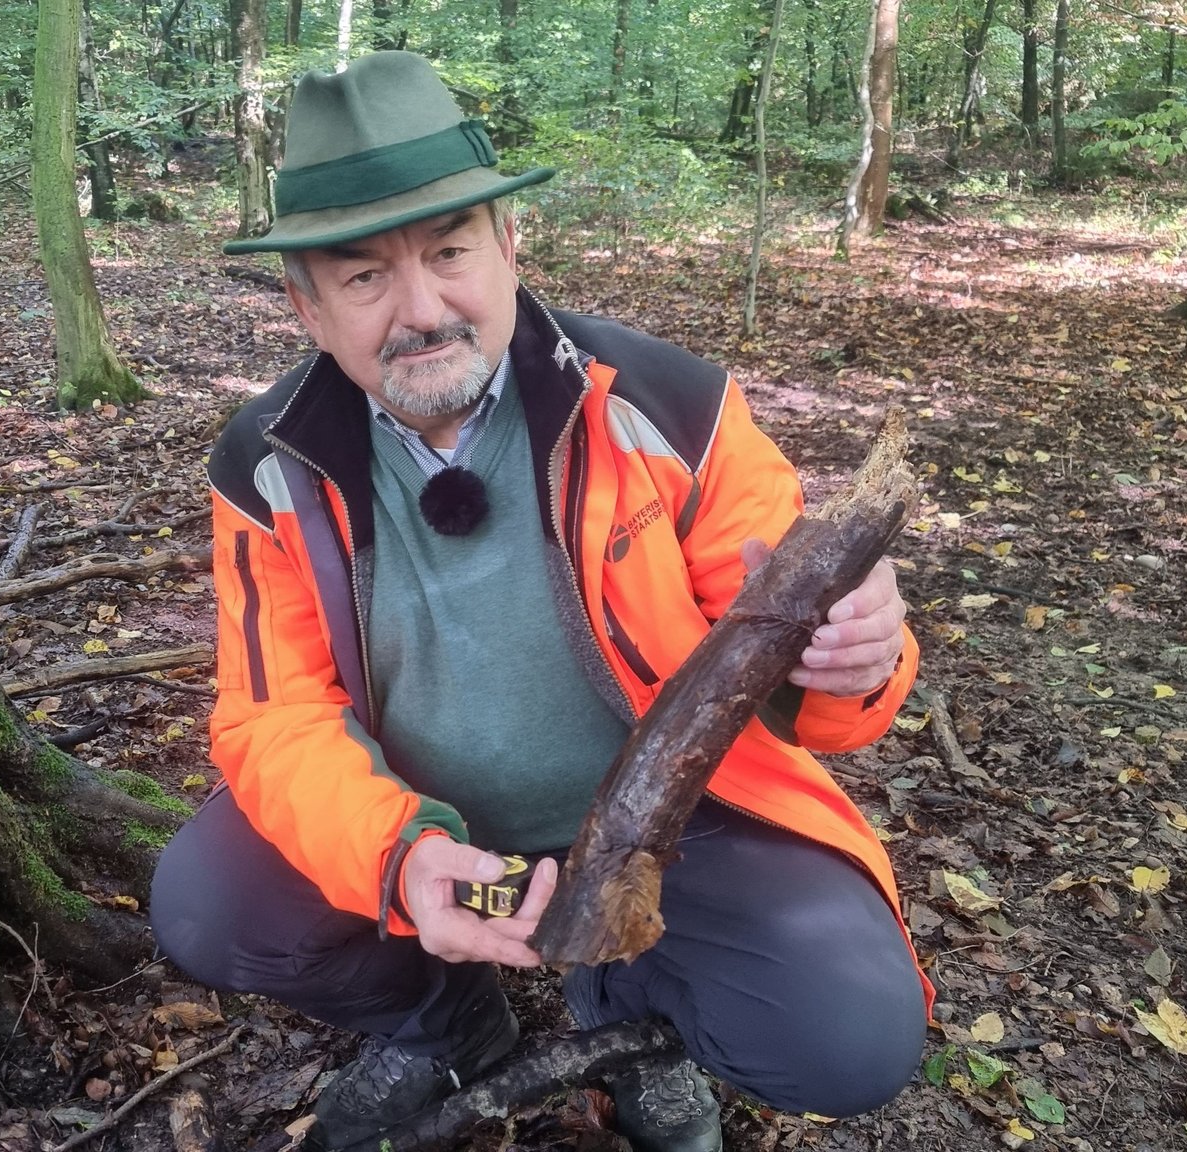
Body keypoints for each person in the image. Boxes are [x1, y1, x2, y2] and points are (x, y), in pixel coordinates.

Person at [152, 51, 931, 1152]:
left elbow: (806, 693)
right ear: (306, 304)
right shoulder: (267, 466)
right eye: (364, 276)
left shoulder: (668, 406)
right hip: (443, 840)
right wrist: (400, 860)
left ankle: (624, 1023)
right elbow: (269, 715)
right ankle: (447, 1026)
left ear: (509, 248)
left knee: (843, 1038)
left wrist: (855, 660)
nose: (421, 309)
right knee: (209, 905)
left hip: (675, 834)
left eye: (449, 252)